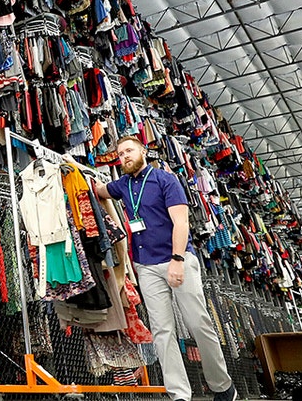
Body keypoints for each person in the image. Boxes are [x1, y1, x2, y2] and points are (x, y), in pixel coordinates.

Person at [93, 135, 236, 401]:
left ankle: (222, 386)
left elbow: (181, 223)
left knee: (198, 324)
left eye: (129, 151)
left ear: (143, 151)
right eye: (120, 153)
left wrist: (178, 260)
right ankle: (179, 394)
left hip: (177, 260)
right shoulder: (123, 185)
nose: (124, 156)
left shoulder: (165, 179)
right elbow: (99, 190)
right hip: (145, 267)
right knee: (162, 332)